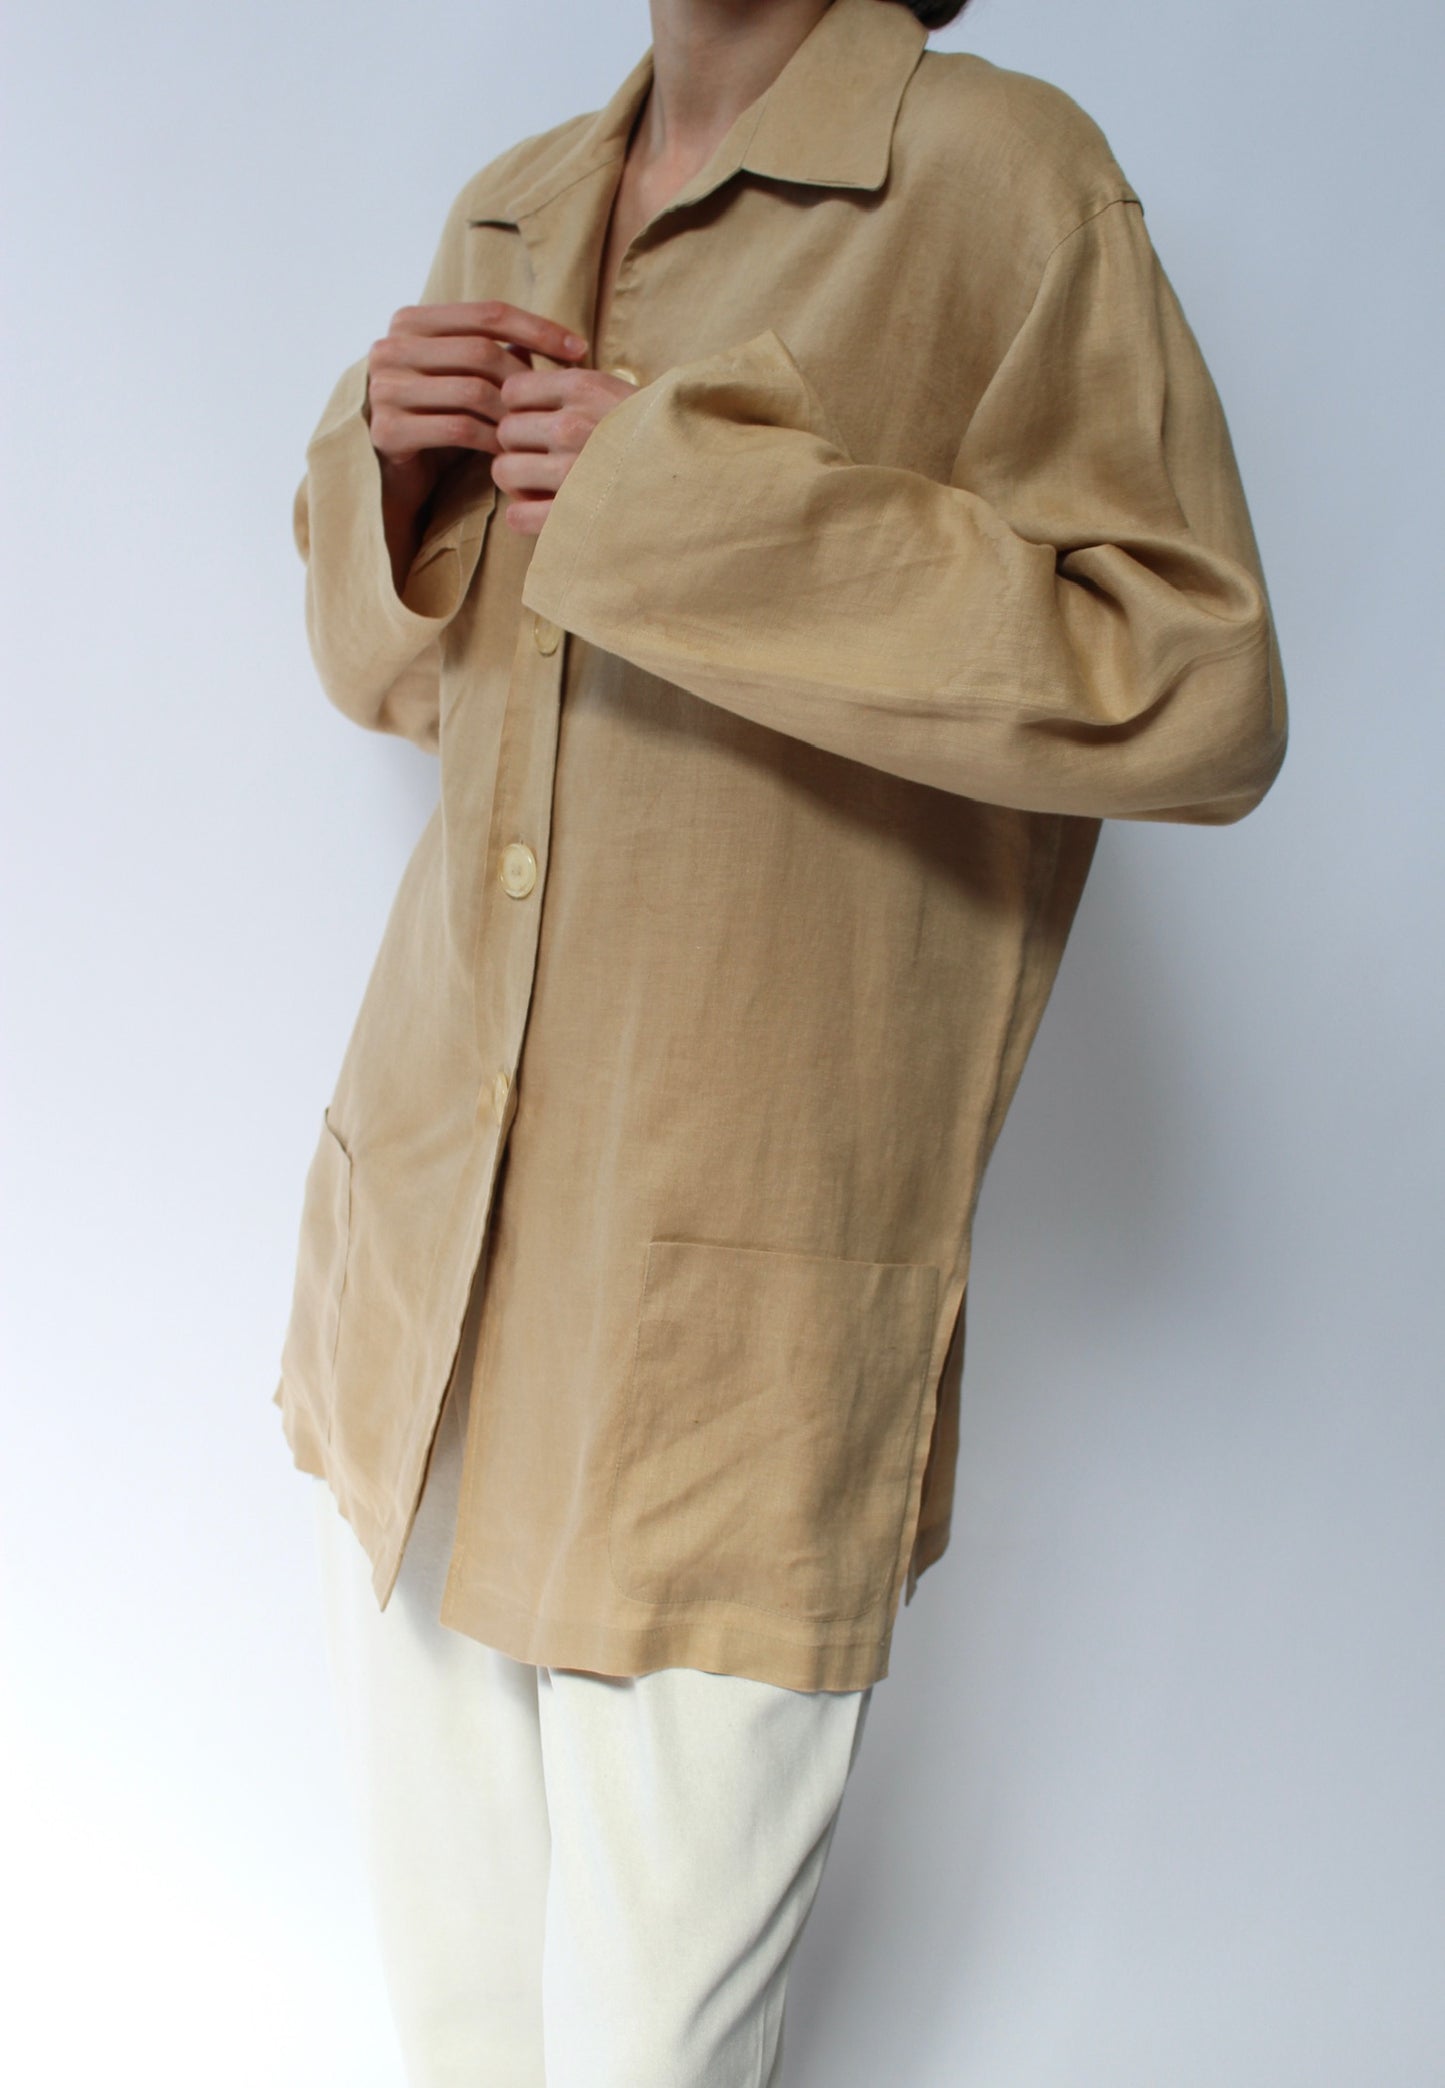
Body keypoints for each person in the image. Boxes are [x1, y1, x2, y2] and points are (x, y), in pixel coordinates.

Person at [273, 0, 1289, 2079]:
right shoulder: (518, 202)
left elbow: (1194, 689)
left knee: (648, 2049)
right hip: (428, 1263)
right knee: (459, 2035)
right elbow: (416, 687)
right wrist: (385, 476)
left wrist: (680, 505)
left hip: (723, 1308)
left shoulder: (1001, 177)